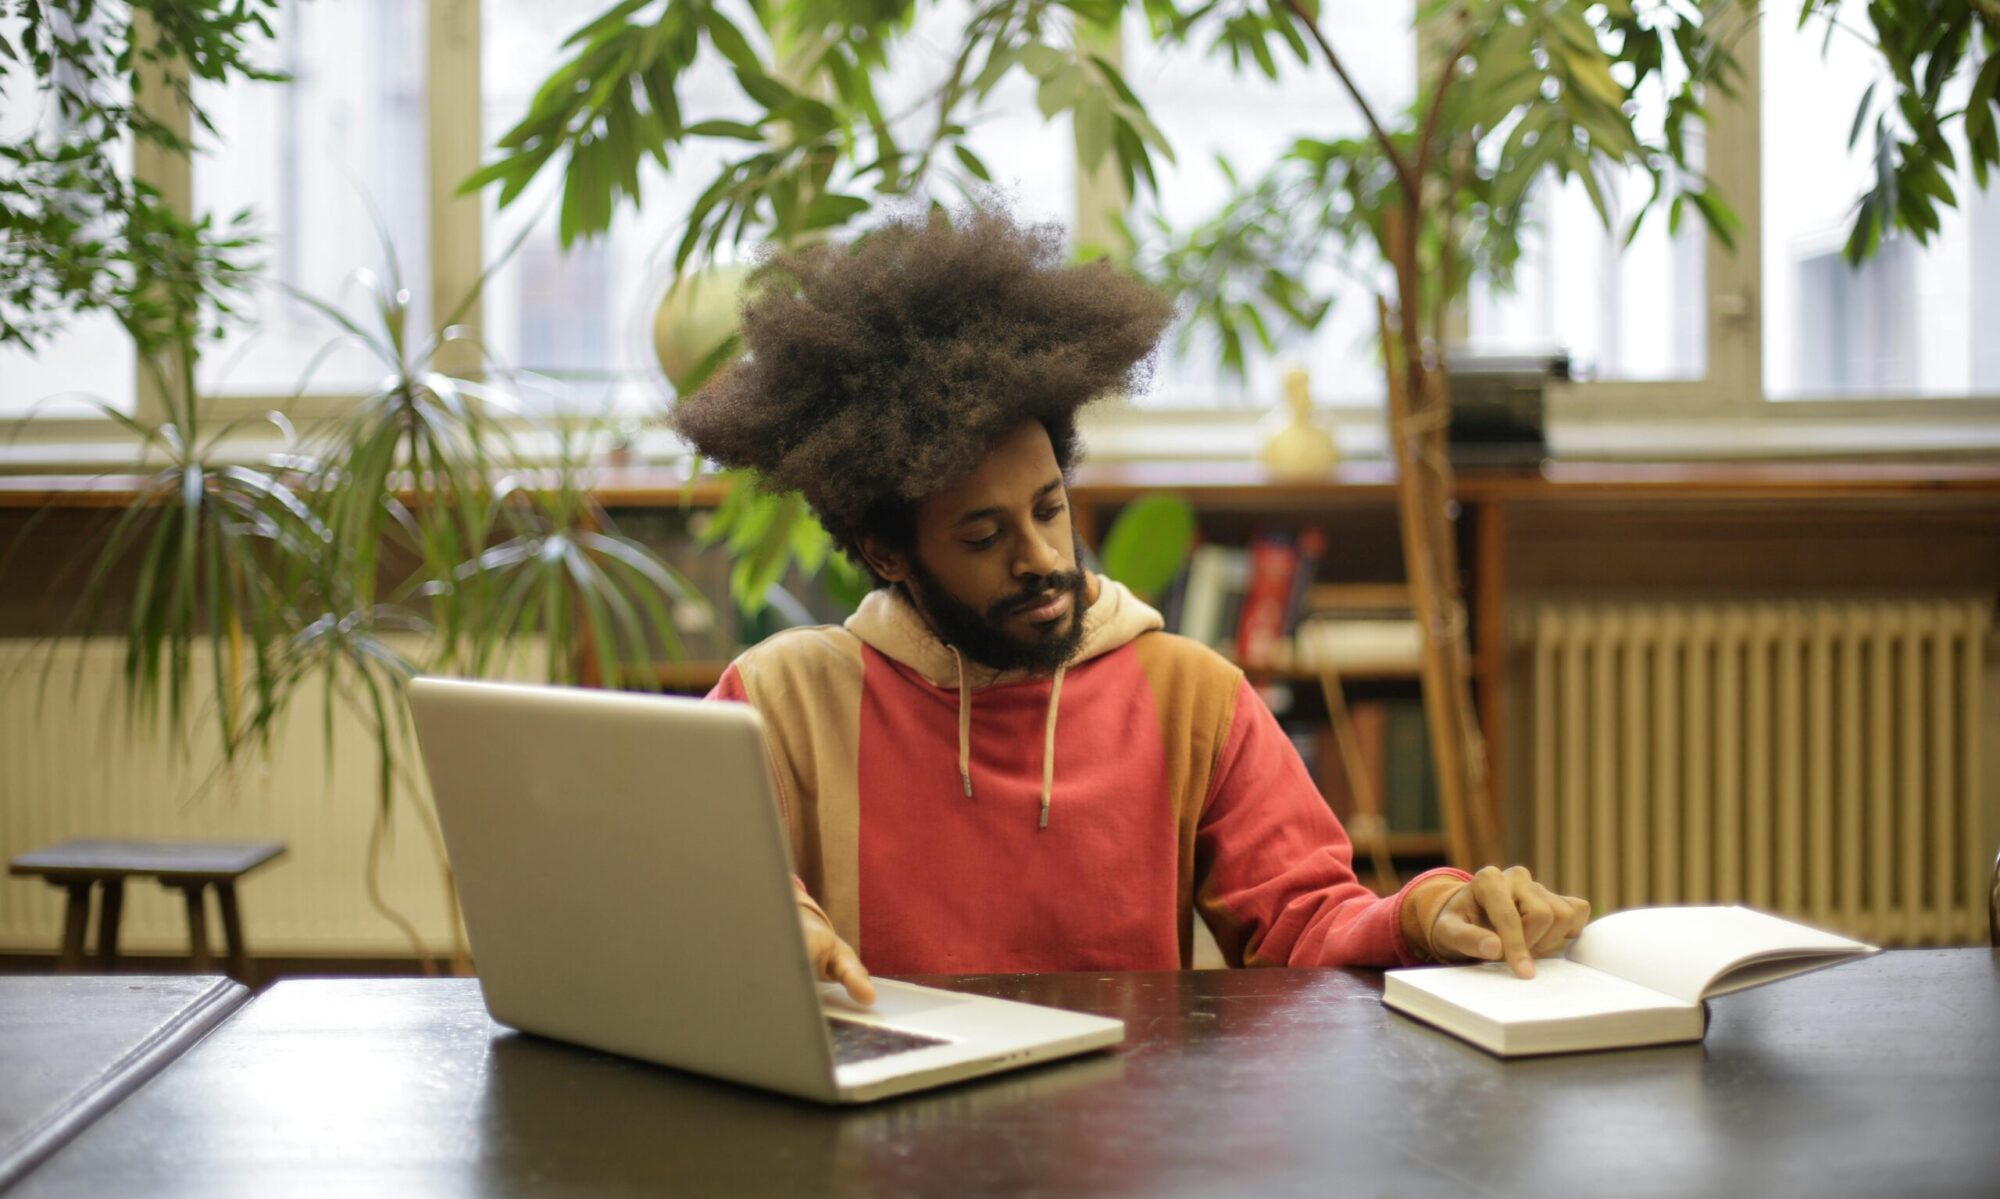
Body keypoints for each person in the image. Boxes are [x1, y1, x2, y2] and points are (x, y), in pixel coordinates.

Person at [672, 206, 1589, 1006]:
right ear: (888, 553)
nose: (1043, 560)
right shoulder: (785, 699)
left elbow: (1307, 923)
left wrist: (1435, 910)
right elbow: (688, 869)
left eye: (1050, 510)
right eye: (985, 537)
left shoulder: (1190, 694)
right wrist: (771, 922)